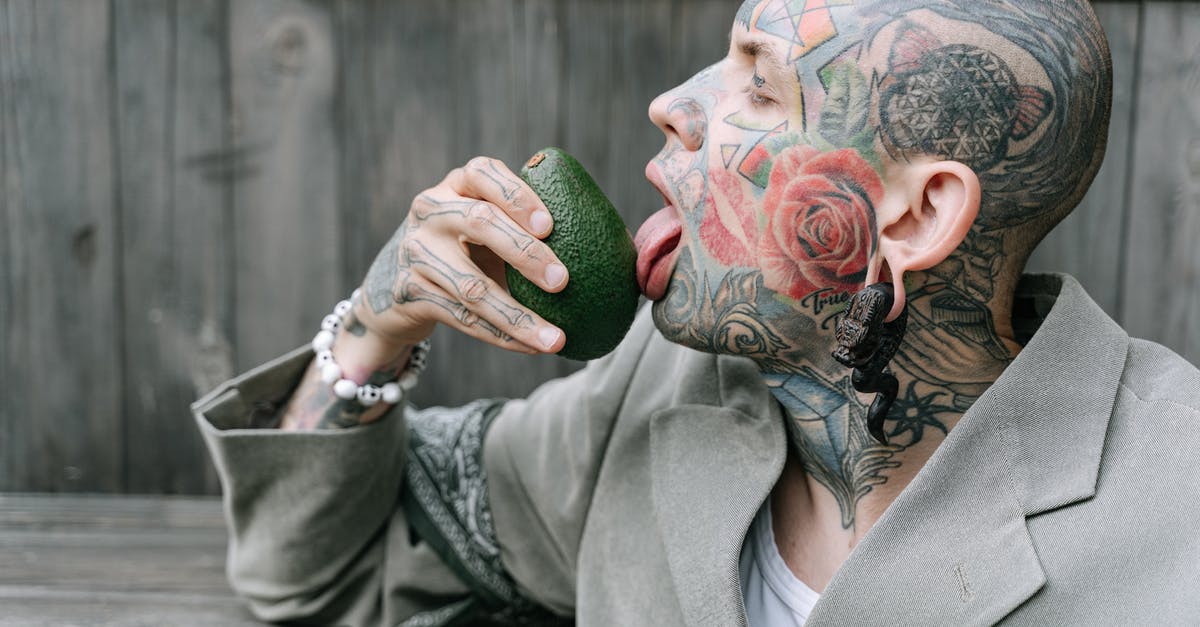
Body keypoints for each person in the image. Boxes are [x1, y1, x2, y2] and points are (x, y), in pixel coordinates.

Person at [194, 1, 1200, 625]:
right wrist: (376, 326)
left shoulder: (1178, 516)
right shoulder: (662, 389)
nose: (672, 103)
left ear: (920, 212)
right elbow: (312, 576)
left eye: (758, 85)